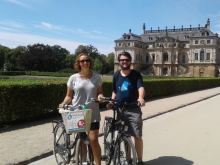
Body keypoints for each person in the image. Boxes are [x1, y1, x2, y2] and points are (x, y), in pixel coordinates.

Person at [59, 52, 103, 165]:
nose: (85, 63)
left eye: (87, 60)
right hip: (77, 113)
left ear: (90, 62)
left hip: (93, 113)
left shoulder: (97, 77)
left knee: (93, 140)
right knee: (82, 140)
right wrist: (63, 103)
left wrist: (100, 97)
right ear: (78, 63)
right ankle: (83, 161)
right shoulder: (73, 78)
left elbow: (99, 93)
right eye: (82, 61)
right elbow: (69, 96)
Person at [111, 51, 145, 165]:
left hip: (134, 109)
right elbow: (115, 91)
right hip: (120, 110)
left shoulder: (136, 74)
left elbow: (140, 87)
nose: (124, 61)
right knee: (124, 135)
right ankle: (129, 159)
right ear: (119, 61)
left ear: (130, 61)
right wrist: (112, 101)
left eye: (126, 60)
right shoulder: (116, 75)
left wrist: (140, 97)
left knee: (137, 136)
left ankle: (139, 161)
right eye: (122, 60)